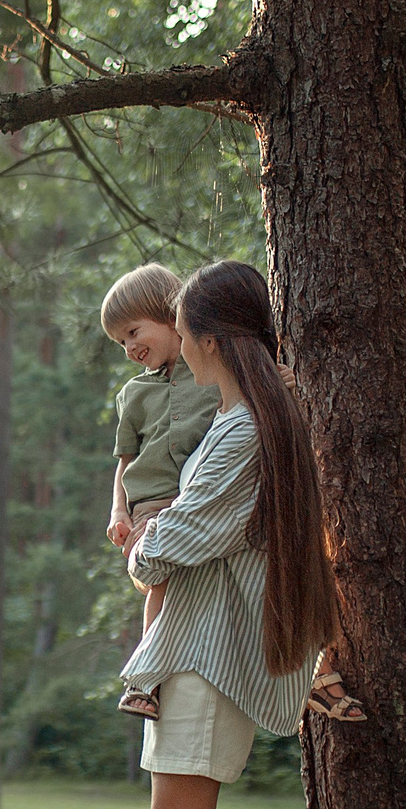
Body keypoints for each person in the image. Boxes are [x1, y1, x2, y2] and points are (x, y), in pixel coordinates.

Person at [117, 259, 358, 809]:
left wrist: (143, 543)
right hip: (194, 647)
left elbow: (174, 546)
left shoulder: (243, 430)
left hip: (209, 656)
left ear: (209, 339)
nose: (175, 344)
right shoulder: (244, 422)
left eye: (182, 331)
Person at [101, 263, 223, 722]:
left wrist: (281, 380)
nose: (130, 348)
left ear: (172, 314)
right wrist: (119, 512)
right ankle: (146, 678)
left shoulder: (212, 372)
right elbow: (124, 462)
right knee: (162, 576)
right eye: (121, 343)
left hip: (199, 499)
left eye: (133, 331)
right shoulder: (134, 394)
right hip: (151, 506)